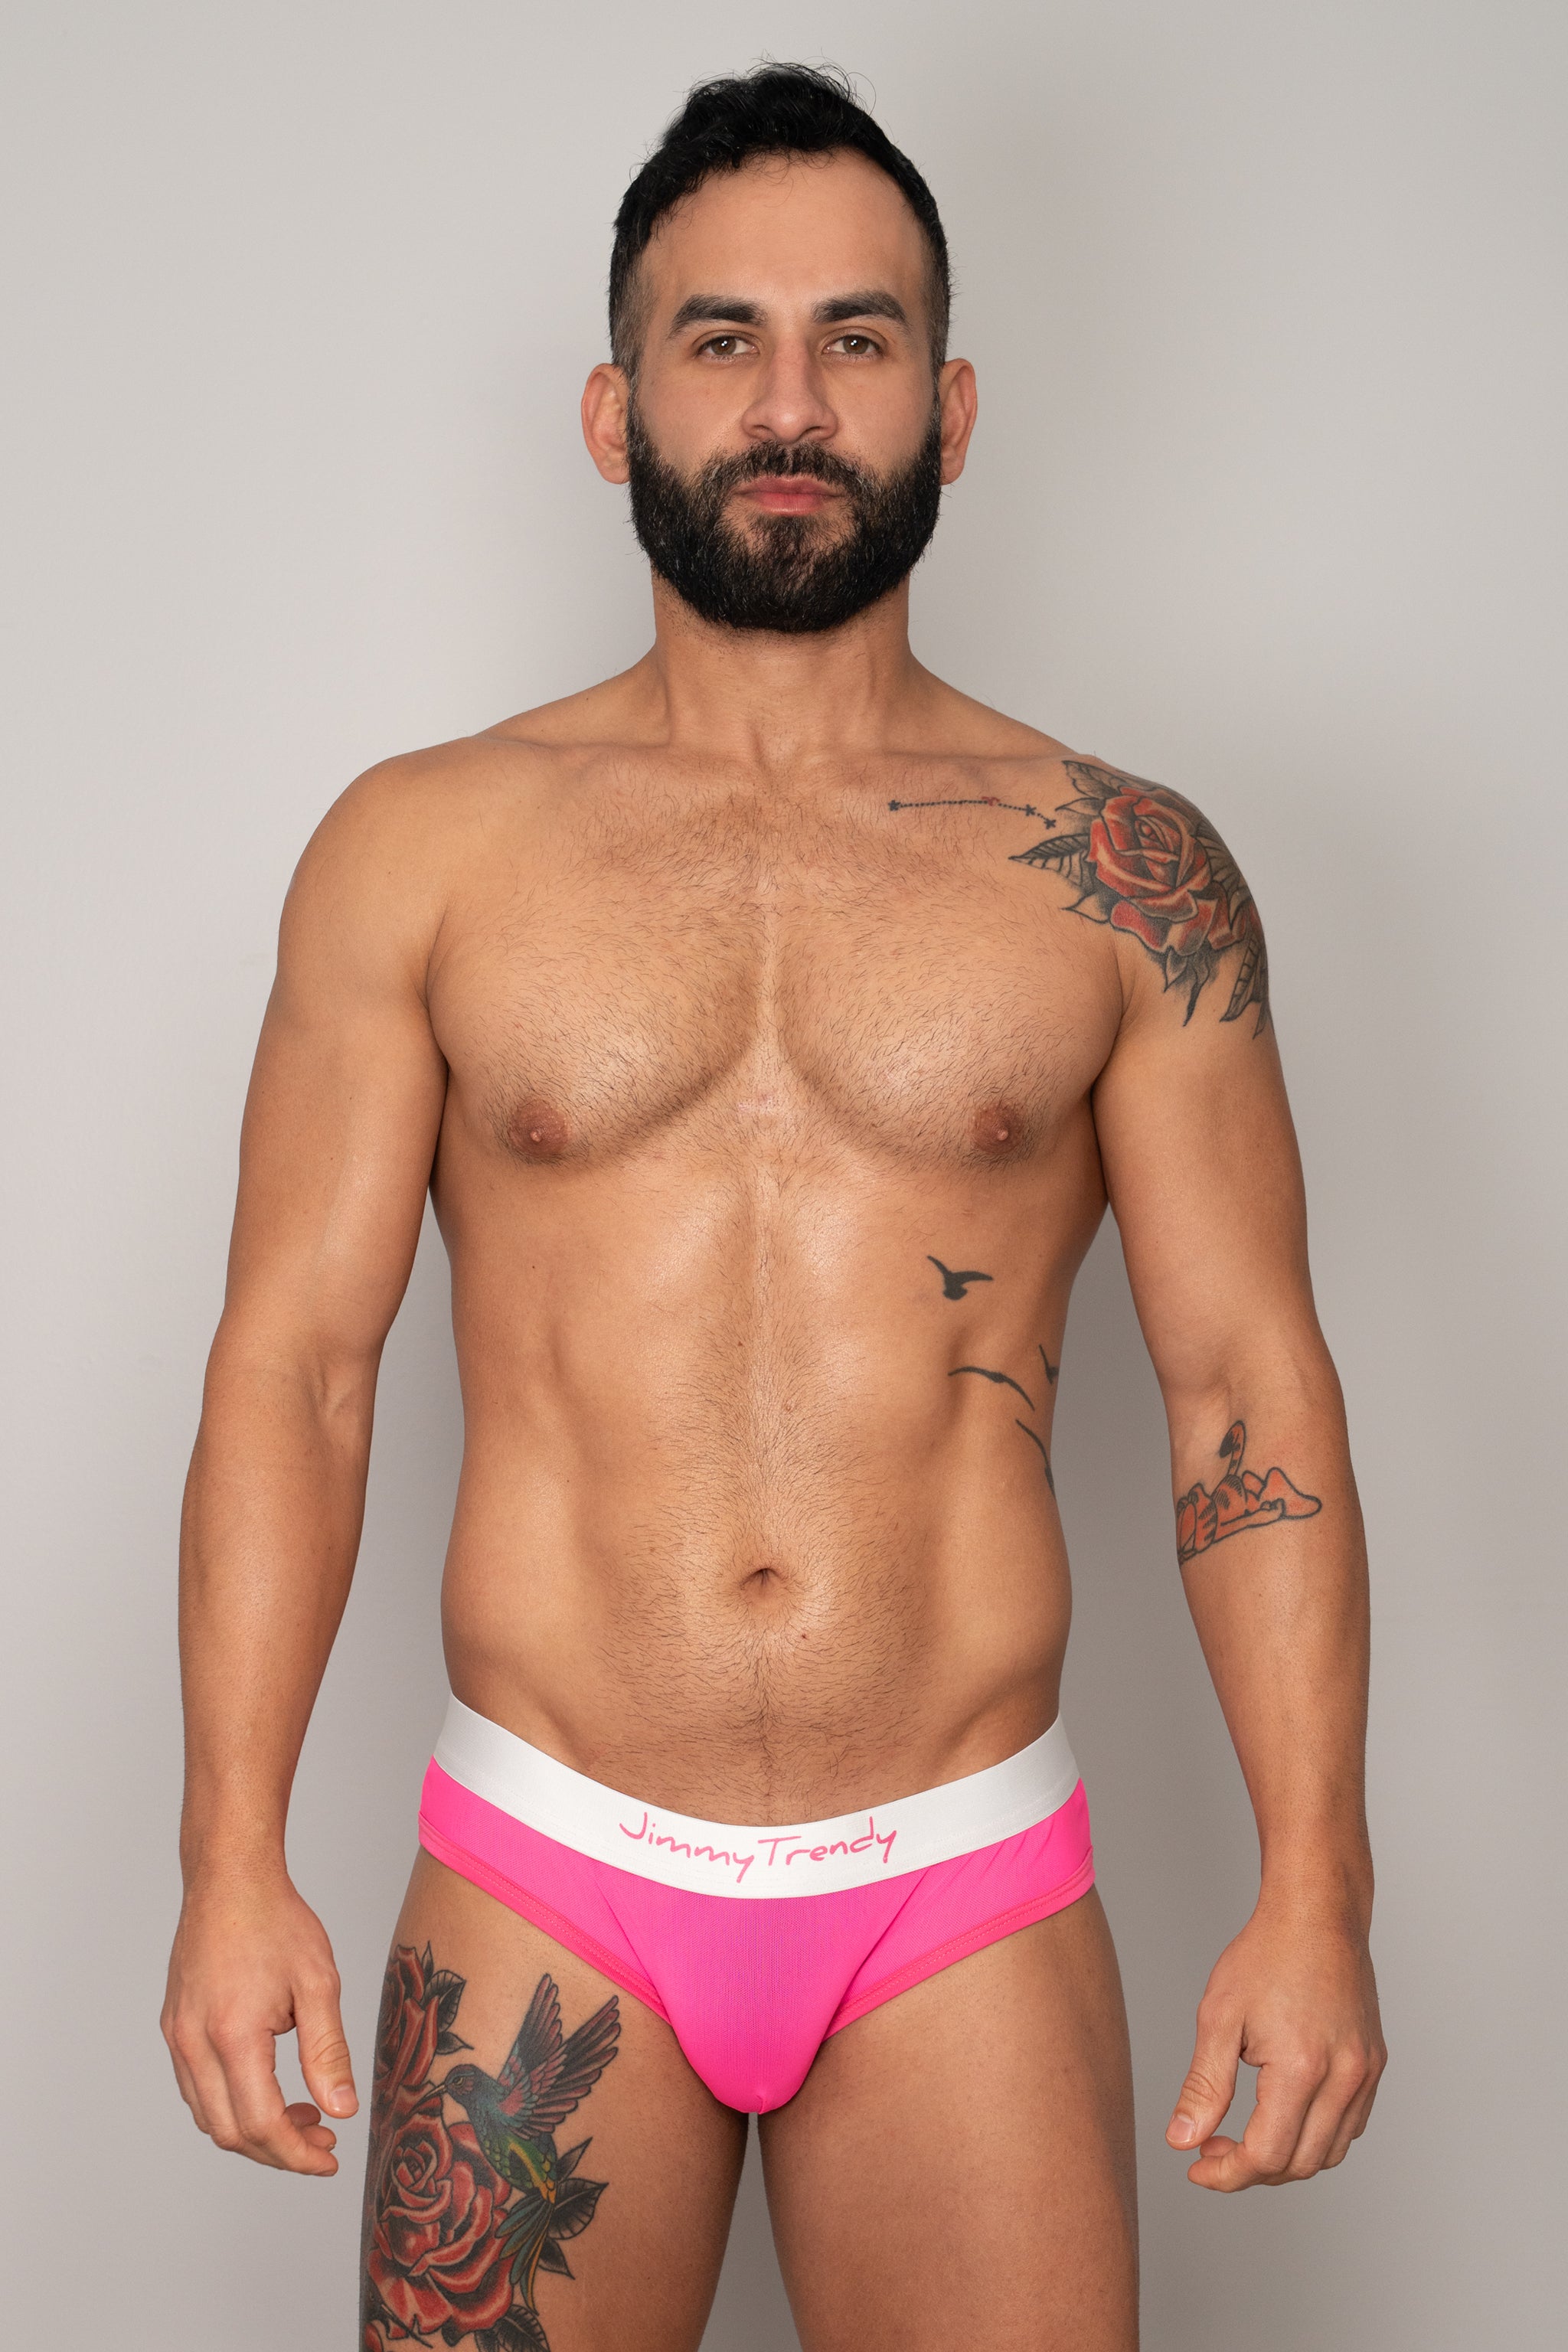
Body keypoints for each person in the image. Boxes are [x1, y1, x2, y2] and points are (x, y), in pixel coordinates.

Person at [162, 64, 1384, 2352]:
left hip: (958, 1874)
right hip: (547, 1858)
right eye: (722, 339)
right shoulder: (422, 852)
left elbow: (1247, 1389)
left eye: (860, 336)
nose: (794, 402)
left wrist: (1318, 1884)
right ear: (615, 411)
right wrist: (230, 1860)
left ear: (955, 405)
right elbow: (296, 1371)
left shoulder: (1125, 877)